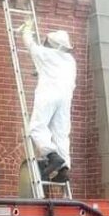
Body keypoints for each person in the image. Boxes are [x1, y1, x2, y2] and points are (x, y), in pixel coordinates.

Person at [20, 19, 76, 182]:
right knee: (61, 133)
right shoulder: (70, 61)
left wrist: (27, 29)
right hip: (65, 99)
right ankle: (64, 169)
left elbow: (30, 44)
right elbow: (56, 72)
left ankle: (52, 156)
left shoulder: (46, 54)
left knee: (37, 127)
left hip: (48, 93)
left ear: (52, 44)